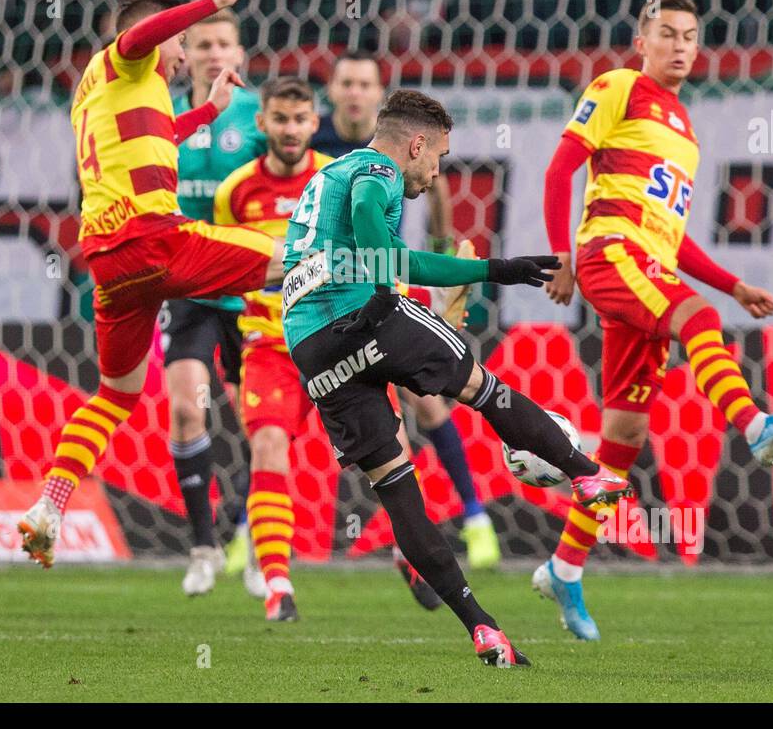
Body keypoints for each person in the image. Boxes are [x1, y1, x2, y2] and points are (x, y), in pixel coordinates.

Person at [281, 89, 632, 666]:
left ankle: (484, 630)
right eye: (438, 157)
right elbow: (377, 237)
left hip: (311, 345)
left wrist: (385, 270)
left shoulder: (325, 177)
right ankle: (586, 473)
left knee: (396, 489)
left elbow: (382, 260)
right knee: (482, 390)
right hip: (362, 313)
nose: (436, 171)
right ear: (415, 144)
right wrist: (497, 269)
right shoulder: (376, 168)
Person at [538, 0, 773, 640]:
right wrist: (564, 256)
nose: (679, 46)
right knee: (697, 318)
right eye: (666, 34)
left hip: (651, 265)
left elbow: (675, 237)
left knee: (623, 441)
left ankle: (563, 567)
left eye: (690, 37)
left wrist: (735, 282)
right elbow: (561, 171)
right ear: (642, 40)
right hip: (612, 255)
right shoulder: (618, 86)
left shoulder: (686, 131)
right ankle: (753, 425)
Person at [17, 0, 286, 568]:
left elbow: (164, 133)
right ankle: (391, 290)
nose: (185, 60)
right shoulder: (127, 57)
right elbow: (139, 36)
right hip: (153, 240)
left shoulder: (102, 95)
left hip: (108, 265)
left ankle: (49, 507)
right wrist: (213, 0)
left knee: (115, 394)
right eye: (183, 47)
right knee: (295, 253)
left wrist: (211, 110)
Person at [315, 50, 502, 572]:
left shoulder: (398, 148)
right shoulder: (314, 142)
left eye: (364, 84)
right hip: (330, 294)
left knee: (427, 402)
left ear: (378, 97)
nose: (354, 92)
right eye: (346, 82)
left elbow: (437, 186)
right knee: (375, 412)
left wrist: (443, 251)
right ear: (332, 92)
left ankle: (471, 516)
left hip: (386, 277)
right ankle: (416, 537)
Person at [213, 77, 332, 621]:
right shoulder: (234, 192)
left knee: (391, 447)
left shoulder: (336, 182)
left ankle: (413, 557)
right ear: (261, 124)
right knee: (266, 448)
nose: (289, 129)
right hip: (267, 345)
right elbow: (225, 271)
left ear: (314, 121)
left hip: (335, 342)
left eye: (299, 119)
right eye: (279, 119)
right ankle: (278, 585)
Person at [165, 6, 267, 597]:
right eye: (201, 44)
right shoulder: (167, 117)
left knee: (262, 424)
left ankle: (255, 537)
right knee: (185, 410)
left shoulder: (259, 116)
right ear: (187, 55)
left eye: (223, 43)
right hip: (189, 285)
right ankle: (204, 545)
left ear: (239, 54)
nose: (212, 54)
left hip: (252, 283)